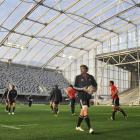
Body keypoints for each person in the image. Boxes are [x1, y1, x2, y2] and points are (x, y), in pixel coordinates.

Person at [74, 65, 97, 134]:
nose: (81, 70)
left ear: (86, 70)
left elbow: (95, 85)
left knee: (82, 111)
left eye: (83, 69)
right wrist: (82, 89)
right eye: (80, 69)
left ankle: (77, 126)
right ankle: (90, 128)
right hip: (81, 96)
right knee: (85, 109)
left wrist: (94, 89)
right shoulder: (77, 77)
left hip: (88, 96)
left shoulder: (91, 77)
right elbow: (74, 87)